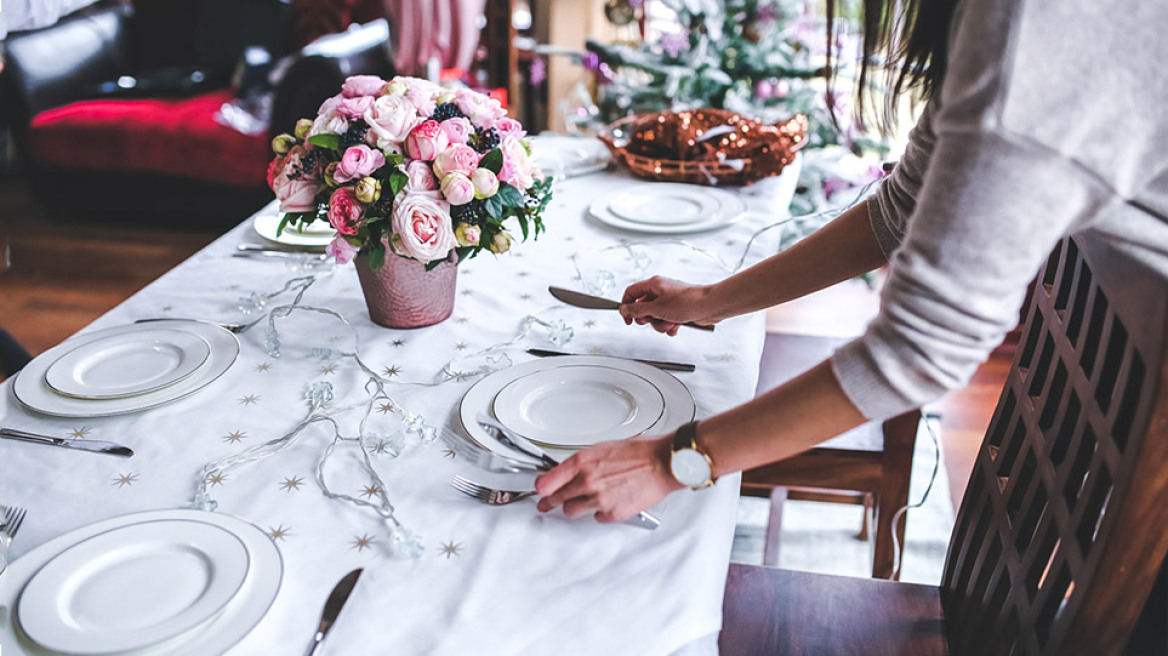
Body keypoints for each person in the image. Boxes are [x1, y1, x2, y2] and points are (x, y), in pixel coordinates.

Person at [533, 0, 1168, 524]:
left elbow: (919, 351)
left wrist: (668, 463)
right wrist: (709, 302)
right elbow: (901, 209)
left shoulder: (1036, 26)